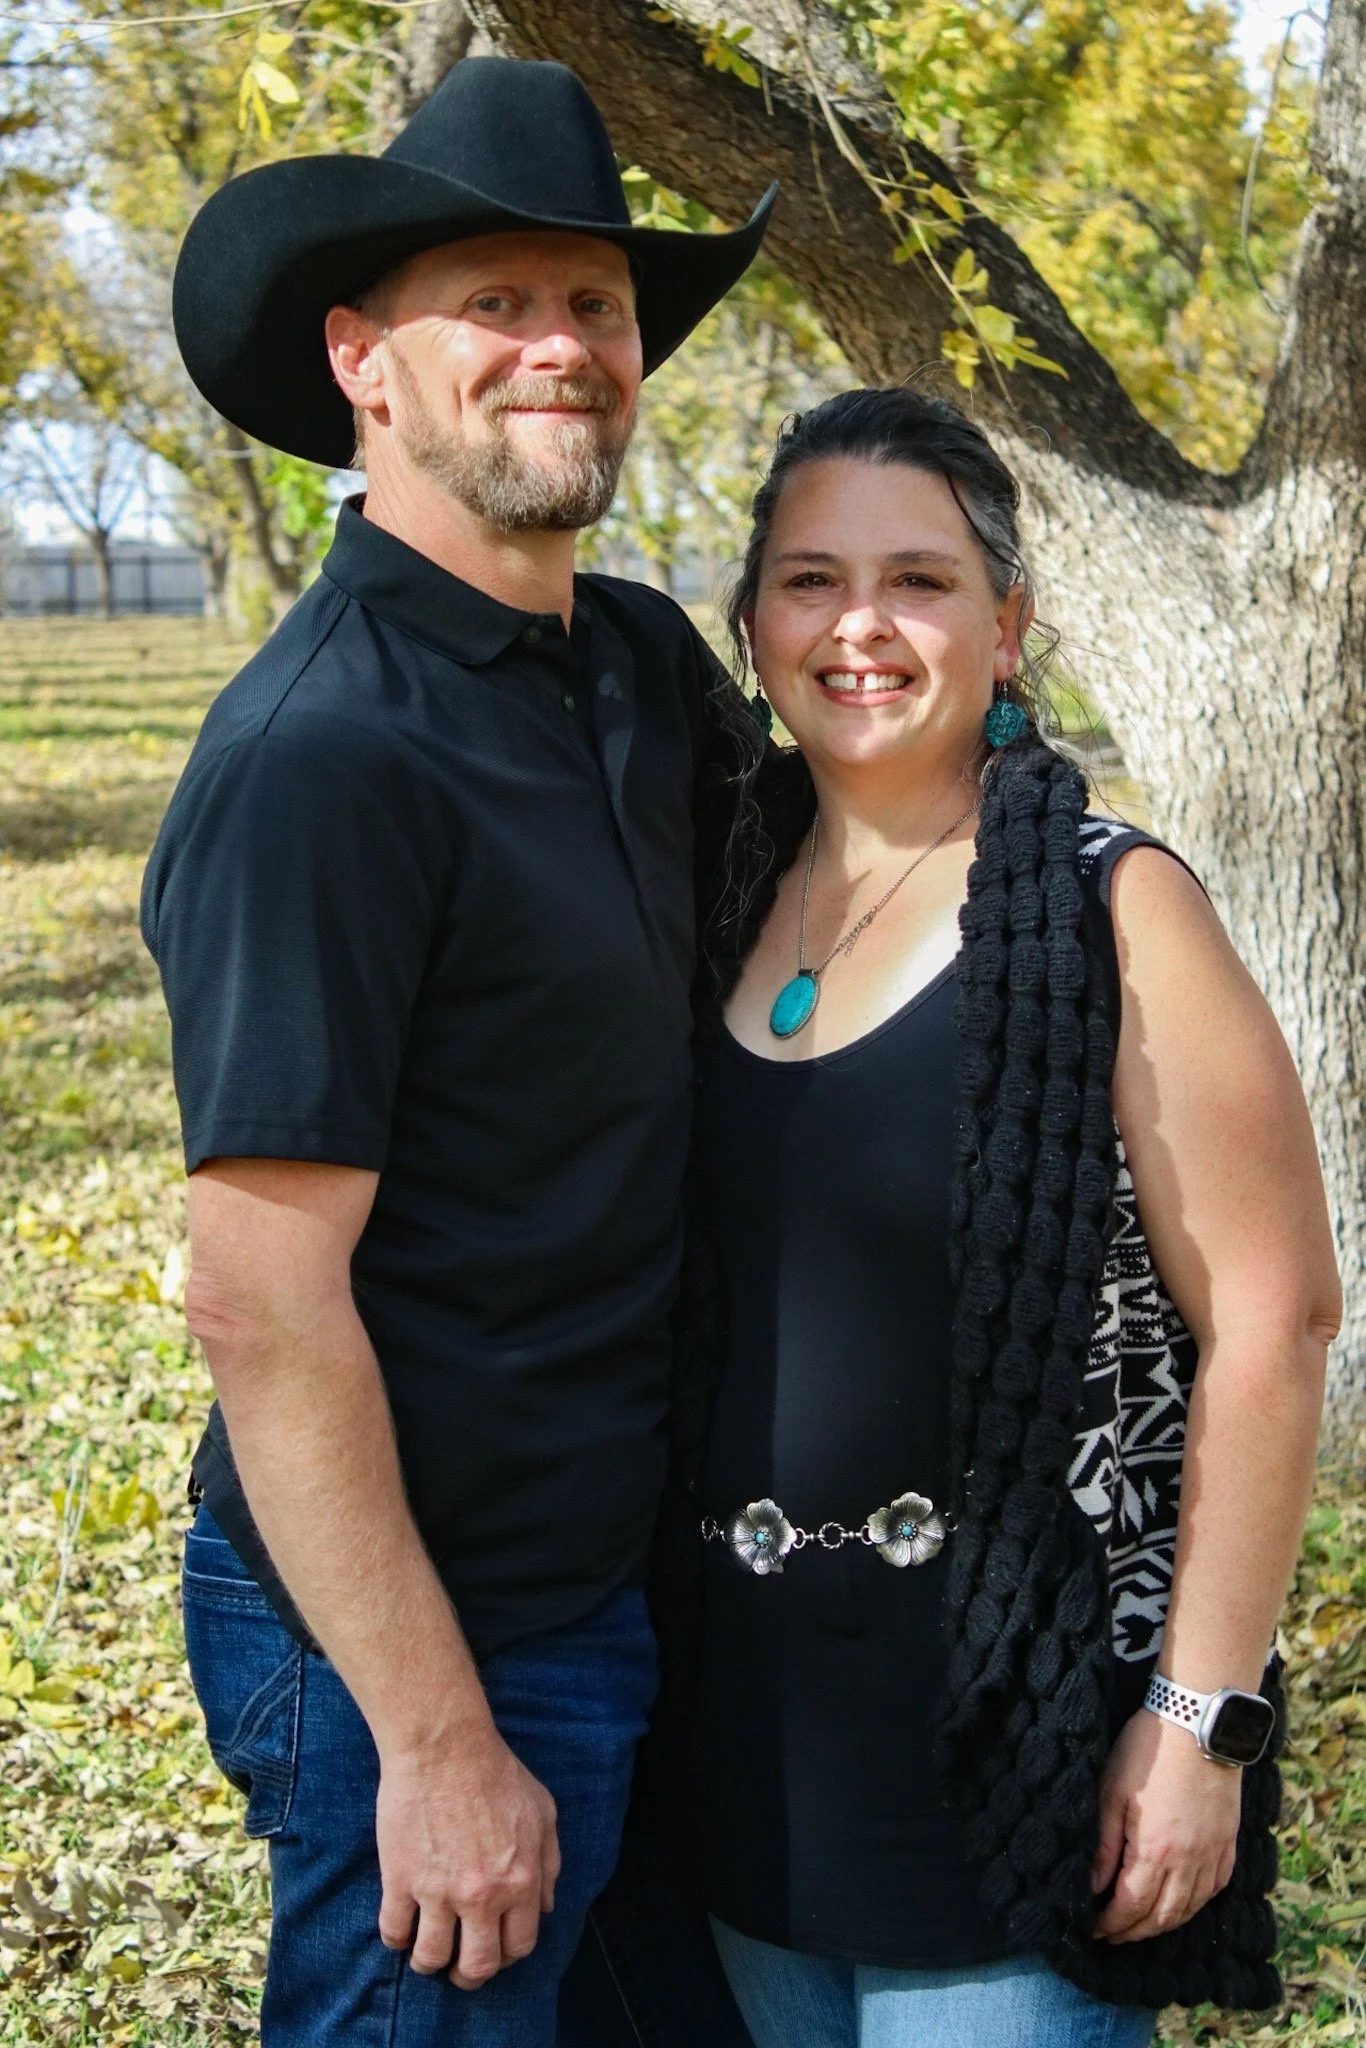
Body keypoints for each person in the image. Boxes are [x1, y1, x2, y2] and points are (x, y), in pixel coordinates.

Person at [141, 56, 773, 2047]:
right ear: (362, 361)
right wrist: (430, 1739)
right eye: (490, 302)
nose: (559, 348)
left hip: (620, 1571)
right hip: (421, 1630)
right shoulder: (321, 760)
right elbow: (258, 1300)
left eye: (592, 306)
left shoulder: (640, 669)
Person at [625, 386, 1338, 2047]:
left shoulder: (1111, 903)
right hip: (740, 1746)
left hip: (1006, 1755)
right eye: (807, 580)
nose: (858, 625)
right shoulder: (716, 890)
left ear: (1005, 626)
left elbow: (1271, 1319)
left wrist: (1196, 1717)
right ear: (751, 623)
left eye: (919, 581)